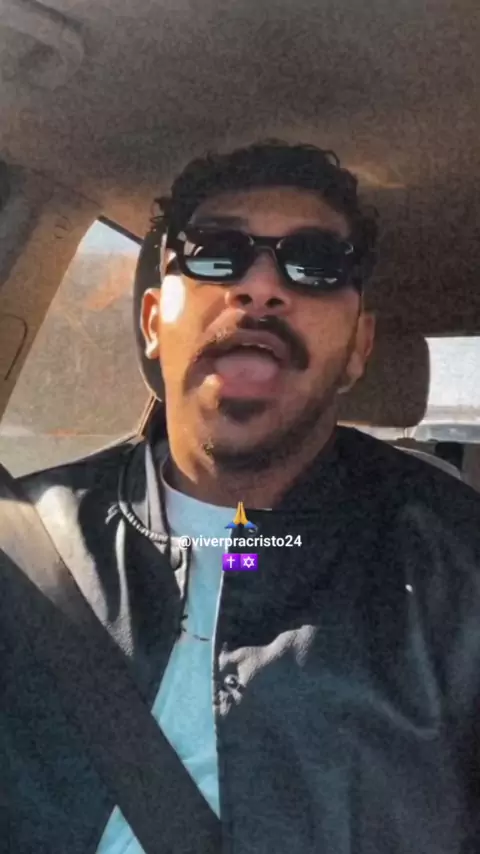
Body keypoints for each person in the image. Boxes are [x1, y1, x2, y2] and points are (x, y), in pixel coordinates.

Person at [3, 140, 480, 853]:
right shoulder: (22, 547)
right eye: (216, 254)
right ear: (152, 321)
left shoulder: (457, 566)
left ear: (359, 347)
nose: (260, 287)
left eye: (315, 263)